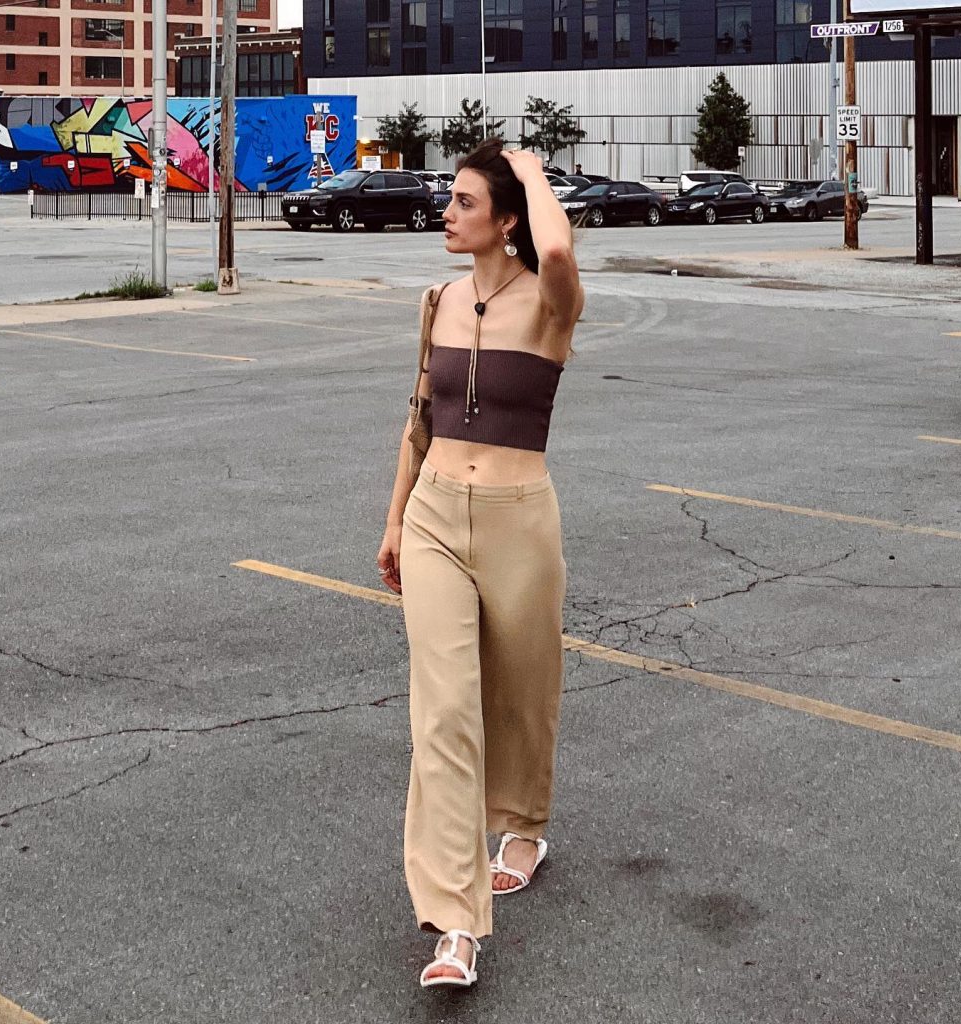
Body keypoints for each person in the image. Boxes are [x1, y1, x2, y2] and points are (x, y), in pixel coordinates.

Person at [377, 137, 584, 989]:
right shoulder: (437, 302)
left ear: (506, 221)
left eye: (465, 201)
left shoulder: (552, 303)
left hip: (517, 517)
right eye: (449, 199)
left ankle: (525, 823)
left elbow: (561, 247)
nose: (447, 213)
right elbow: (418, 425)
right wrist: (393, 524)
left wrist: (529, 169)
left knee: (524, 691)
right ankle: (455, 923)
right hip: (433, 516)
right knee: (445, 712)